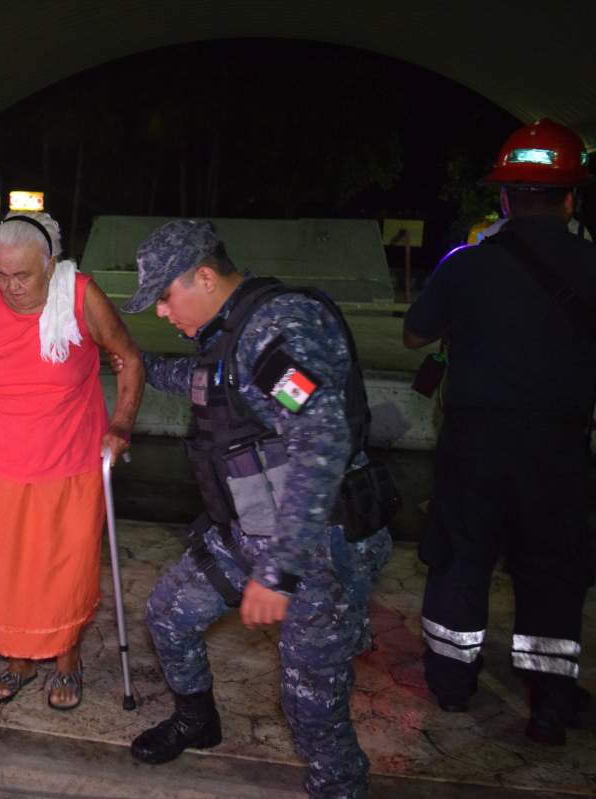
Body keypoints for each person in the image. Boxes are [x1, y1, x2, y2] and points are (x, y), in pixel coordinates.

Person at [123, 220, 391, 799]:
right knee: (170, 615)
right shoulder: (229, 333)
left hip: (315, 542)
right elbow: (204, 382)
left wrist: (279, 571)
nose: (163, 313)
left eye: (166, 298)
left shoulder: (279, 329)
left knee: (311, 697)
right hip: (249, 528)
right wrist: (126, 358)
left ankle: (339, 787)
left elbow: (321, 439)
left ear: (204, 275)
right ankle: (199, 720)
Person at [405, 118, 596, 745]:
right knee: (551, 568)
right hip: (559, 448)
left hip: (474, 445)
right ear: (572, 197)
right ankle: (548, 702)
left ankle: (453, 686)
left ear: (505, 198)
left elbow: (415, 334)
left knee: (461, 560)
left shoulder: (467, 264)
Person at [0, 212, 144, 710]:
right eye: (2, 273)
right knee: (9, 567)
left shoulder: (79, 295)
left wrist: (121, 423)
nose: (10, 287)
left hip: (68, 461)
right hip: (1, 459)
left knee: (62, 568)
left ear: (50, 265)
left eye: (23, 276)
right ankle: (18, 660)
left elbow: (129, 359)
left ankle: (66, 661)